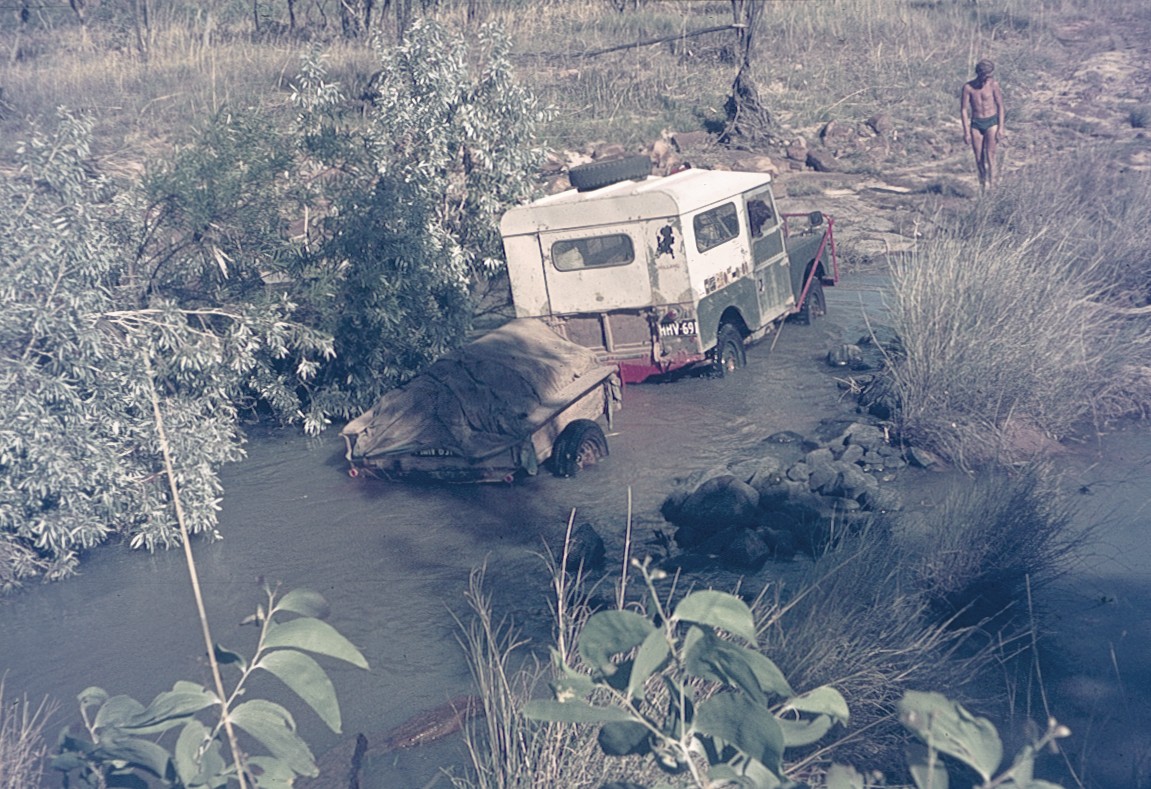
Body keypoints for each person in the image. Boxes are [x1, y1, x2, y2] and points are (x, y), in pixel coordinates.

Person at [960, 59, 1005, 189]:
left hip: (991, 122)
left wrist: (1001, 128)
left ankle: (993, 186)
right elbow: (963, 109)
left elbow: (1000, 106)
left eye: (990, 75)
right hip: (976, 124)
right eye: (986, 75)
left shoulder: (993, 85)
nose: (988, 78)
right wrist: (966, 132)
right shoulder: (968, 87)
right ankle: (982, 187)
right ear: (979, 73)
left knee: (991, 156)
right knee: (979, 158)